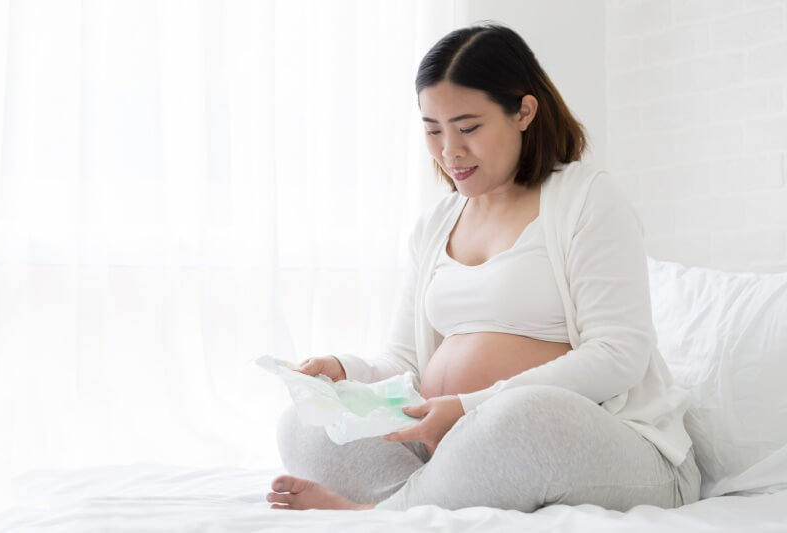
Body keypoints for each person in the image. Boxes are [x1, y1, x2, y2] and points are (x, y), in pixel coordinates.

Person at [267, 22, 701, 512]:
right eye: (433, 130)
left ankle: (377, 514)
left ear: (524, 111)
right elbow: (405, 363)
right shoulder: (436, 223)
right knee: (304, 423)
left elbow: (619, 353)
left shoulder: (586, 198)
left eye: (468, 128)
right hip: (453, 442)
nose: (449, 151)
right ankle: (423, 500)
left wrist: (472, 407)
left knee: (519, 417)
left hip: (592, 442)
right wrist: (346, 371)